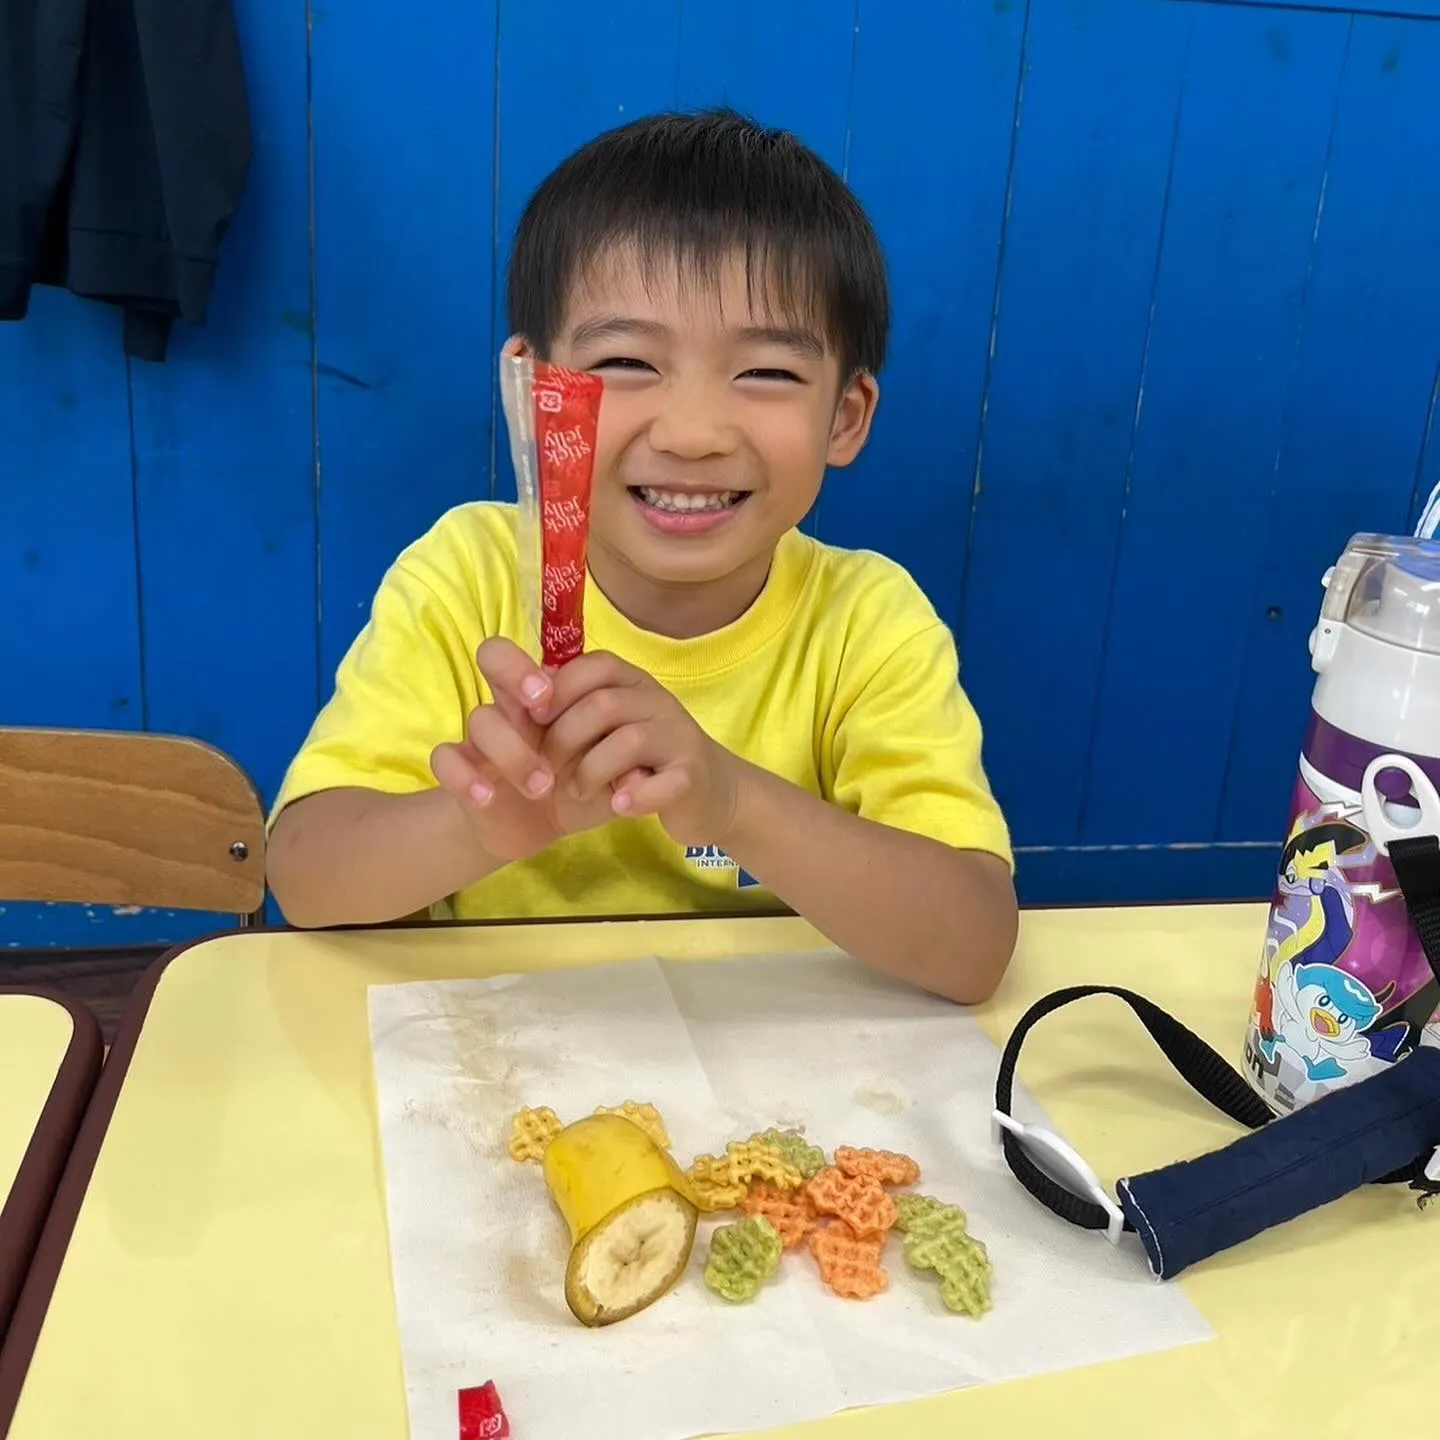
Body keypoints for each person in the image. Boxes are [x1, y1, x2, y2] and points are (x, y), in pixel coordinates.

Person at [266, 109, 1018, 1003]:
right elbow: (305, 878)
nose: (693, 433)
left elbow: (972, 947)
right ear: (530, 388)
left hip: (781, 1083)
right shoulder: (464, 578)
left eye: (768, 373)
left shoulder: (869, 623)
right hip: (488, 1068)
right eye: (626, 360)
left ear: (846, 417)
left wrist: (732, 802)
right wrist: (483, 829)